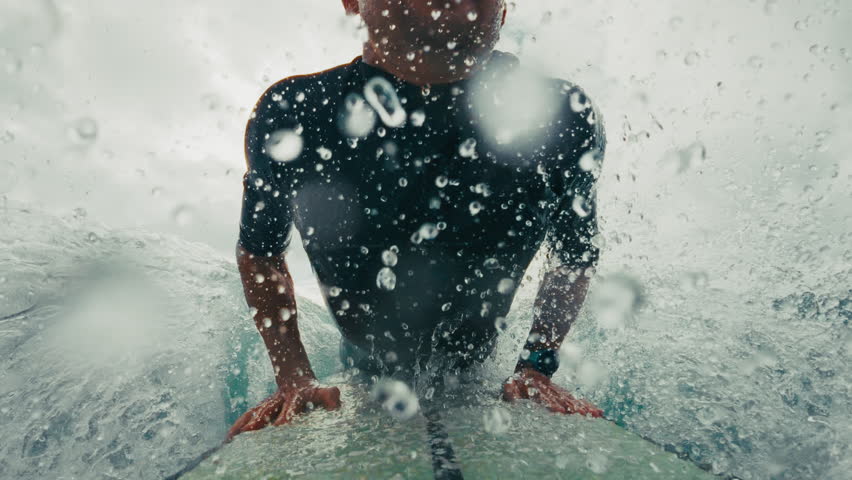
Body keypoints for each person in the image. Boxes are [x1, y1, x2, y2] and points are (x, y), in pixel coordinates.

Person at [227, 0, 606, 441]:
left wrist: (536, 366)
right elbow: (261, 253)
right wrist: (294, 376)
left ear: (504, 9)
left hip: (476, 366)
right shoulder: (296, 112)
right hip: (363, 366)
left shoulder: (562, 114)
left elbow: (574, 255)